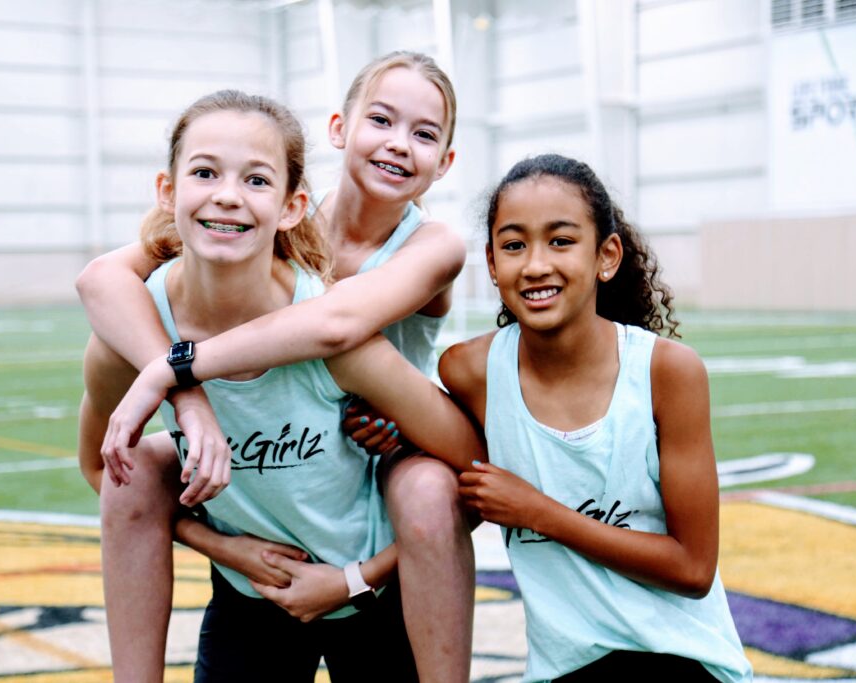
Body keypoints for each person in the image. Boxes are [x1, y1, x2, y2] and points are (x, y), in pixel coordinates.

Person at [78, 52, 475, 681]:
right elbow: (100, 277)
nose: (399, 144)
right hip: (271, 511)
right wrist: (187, 395)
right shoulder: (252, 219)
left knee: (429, 488)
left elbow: (334, 326)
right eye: (382, 120)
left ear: (445, 161)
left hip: (391, 450)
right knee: (139, 465)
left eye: (424, 133)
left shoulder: (425, 250)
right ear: (340, 128)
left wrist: (175, 372)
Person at [440, 154, 752, 682]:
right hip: (564, 669)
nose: (536, 264)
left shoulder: (666, 372)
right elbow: (428, 434)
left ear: (606, 256)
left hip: (680, 660)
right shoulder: (470, 371)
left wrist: (538, 511)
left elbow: (694, 569)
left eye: (560, 241)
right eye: (514, 245)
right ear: (492, 265)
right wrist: (381, 430)